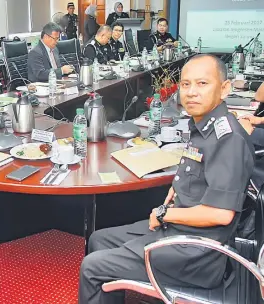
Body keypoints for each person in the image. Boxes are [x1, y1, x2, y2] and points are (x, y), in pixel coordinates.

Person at [79, 54, 255, 304]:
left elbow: (220, 214)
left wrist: (164, 214)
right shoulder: (204, 125)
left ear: (224, 89)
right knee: (99, 239)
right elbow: (198, 174)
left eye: (202, 84)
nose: (192, 92)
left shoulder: (228, 140)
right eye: (185, 84)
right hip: (180, 231)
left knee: (92, 267)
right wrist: (176, 188)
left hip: (196, 255)